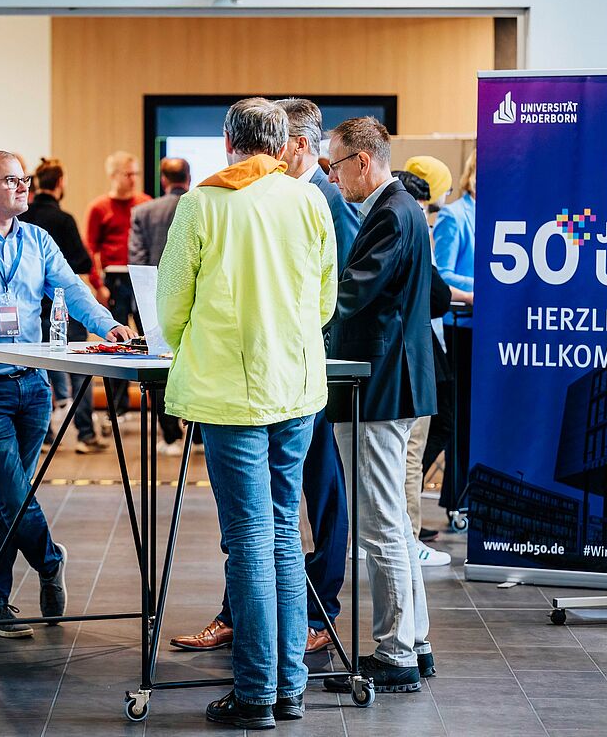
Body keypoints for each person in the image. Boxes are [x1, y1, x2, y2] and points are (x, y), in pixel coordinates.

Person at [159, 98, 337, 728]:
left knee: (248, 543)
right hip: (296, 388)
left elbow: (172, 304)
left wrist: (193, 345)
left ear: (228, 140)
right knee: (286, 532)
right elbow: (323, 300)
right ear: (283, 142)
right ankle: (289, 687)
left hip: (230, 394)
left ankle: (257, 692)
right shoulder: (308, 198)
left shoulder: (203, 203)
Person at [0, 151, 134, 640]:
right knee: (13, 490)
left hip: (32, 384)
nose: (22, 187)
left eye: (23, 179)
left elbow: (74, 289)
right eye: (10, 180)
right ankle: (49, 558)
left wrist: (109, 325)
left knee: (7, 497)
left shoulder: (38, 240)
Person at [323, 116, 438, 694]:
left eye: (335, 166)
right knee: (389, 517)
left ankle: (394, 653)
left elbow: (352, 294)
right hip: (393, 380)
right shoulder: (405, 211)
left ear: (362, 161)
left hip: (379, 384)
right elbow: (435, 293)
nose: (334, 178)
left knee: (379, 524)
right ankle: (413, 641)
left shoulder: (390, 213)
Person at [21, 157, 109, 454]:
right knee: (79, 368)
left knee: (38, 367)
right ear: (60, 183)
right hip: (64, 307)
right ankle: (85, 434)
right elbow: (82, 261)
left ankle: (43, 434)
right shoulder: (63, 220)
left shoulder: (25, 219)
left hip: (33, 308)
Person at [394, 171, 453, 567]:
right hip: (411, 358)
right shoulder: (408, 229)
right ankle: (407, 538)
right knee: (410, 452)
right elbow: (439, 297)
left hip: (405, 358)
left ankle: (401, 534)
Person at [129, 157, 191, 455]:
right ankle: (198, 433)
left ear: (163, 180)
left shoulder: (143, 212)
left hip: (154, 301)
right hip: (196, 302)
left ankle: (169, 436)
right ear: (188, 179)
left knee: (159, 367)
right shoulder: (203, 206)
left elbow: (137, 261)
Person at [85, 151, 151, 419]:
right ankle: (118, 408)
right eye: (128, 174)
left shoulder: (145, 203)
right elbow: (90, 249)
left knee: (151, 337)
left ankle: (158, 408)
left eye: (135, 173)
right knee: (118, 342)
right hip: (115, 279)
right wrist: (98, 284)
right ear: (113, 176)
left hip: (141, 276)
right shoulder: (100, 207)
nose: (133, 179)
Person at [431, 151, 476, 519]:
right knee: (458, 418)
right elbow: (442, 273)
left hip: (489, 330)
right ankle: (458, 499)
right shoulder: (454, 215)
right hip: (461, 326)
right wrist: (487, 287)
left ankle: (463, 496)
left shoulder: (499, 216)